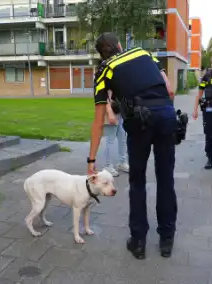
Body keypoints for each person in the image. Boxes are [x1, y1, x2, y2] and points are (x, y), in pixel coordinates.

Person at [87, 32, 178, 260]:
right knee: (165, 178)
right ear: (119, 45)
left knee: (137, 182)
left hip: (139, 122)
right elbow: (169, 89)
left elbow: (98, 122)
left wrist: (91, 160)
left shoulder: (104, 70)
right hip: (166, 115)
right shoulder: (142, 52)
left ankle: (138, 243)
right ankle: (166, 240)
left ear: (102, 53)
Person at [103, 89, 129, 177]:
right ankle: (108, 165)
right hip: (111, 109)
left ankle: (122, 162)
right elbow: (102, 94)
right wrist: (109, 111)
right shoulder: (106, 76)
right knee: (110, 140)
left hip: (120, 109)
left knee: (122, 138)